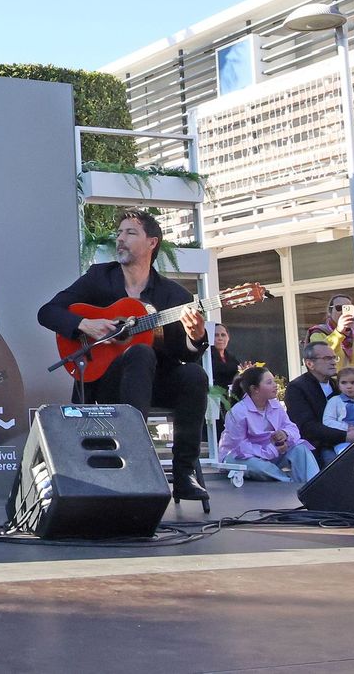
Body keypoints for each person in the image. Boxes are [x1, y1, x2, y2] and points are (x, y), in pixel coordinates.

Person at [38, 209, 211, 502]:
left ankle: (183, 474)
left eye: (130, 233)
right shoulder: (99, 278)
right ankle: (137, 463)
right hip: (106, 381)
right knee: (140, 352)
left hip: (156, 383)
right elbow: (48, 312)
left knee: (194, 375)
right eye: (119, 233)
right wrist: (84, 324)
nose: (120, 239)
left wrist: (196, 337)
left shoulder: (174, 296)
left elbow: (185, 355)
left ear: (152, 242)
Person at [218, 365, 320, 484]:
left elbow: (291, 427)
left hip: (270, 452)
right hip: (239, 457)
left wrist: (285, 434)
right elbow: (240, 447)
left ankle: (314, 484)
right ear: (255, 389)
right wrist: (271, 450)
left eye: (273, 381)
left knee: (300, 449)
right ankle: (289, 483)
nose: (275, 385)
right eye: (269, 382)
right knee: (257, 465)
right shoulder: (238, 412)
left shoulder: (275, 405)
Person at [285, 342, 346, 466]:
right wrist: (345, 435)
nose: (333, 362)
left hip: (342, 444)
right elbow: (307, 427)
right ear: (309, 364)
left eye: (334, 357)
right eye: (327, 358)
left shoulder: (339, 385)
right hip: (315, 450)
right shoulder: (296, 388)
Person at [307, 294, 354, 385]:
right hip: (335, 391)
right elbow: (319, 357)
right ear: (330, 312)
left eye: (348, 308)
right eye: (339, 308)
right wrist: (339, 332)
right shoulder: (318, 333)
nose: (343, 312)